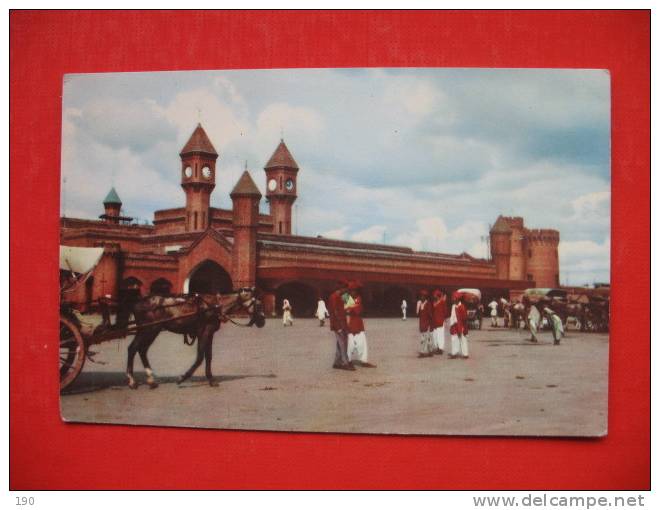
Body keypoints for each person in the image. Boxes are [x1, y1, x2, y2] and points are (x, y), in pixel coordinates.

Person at [345, 281, 376, 368]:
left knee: (362, 343)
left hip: (358, 323)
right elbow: (349, 309)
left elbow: (357, 310)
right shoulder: (346, 297)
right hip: (349, 323)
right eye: (351, 290)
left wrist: (351, 307)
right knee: (349, 344)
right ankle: (347, 360)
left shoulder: (358, 298)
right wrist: (352, 307)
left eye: (355, 290)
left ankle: (364, 360)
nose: (353, 292)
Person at [327, 280, 354, 370]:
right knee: (343, 343)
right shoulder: (334, 297)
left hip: (342, 322)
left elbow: (351, 306)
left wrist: (348, 297)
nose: (347, 291)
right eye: (346, 289)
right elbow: (335, 312)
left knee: (340, 343)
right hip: (338, 324)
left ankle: (337, 362)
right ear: (342, 288)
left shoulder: (342, 296)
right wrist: (339, 325)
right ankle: (344, 362)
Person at [449, 292, 469, 359]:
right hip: (454, 325)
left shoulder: (462, 307)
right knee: (454, 339)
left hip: (461, 325)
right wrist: (451, 324)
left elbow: (465, 319)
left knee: (463, 339)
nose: (453, 300)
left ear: (458, 299)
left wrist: (465, 328)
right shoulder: (453, 306)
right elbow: (452, 316)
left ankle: (465, 354)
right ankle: (454, 353)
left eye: (454, 299)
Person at [431, 289, 448, 355]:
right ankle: (437, 347)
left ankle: (440, 348)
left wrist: (444, 318)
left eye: (435, 295)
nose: (434, 297)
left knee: (440, 335)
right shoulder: (434, 303)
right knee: (435, 335)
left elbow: (445, 311)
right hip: (434, 322)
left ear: (438, 296)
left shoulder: (442, 302)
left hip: (440, 321)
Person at [417, 290, 433, 358]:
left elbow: (430, 315)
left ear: (425, 297)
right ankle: (429, 351)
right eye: (421, 296)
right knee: (424, 338)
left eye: (423, 296)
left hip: (427, 324)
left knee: (426, 338)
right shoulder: (420, 304)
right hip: (422, 324)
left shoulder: (428, 304)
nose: (421, 297)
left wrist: (430, 324)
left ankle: (423, 352)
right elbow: (419, 314)